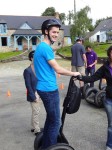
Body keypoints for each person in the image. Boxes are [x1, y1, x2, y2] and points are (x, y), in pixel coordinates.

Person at [77, 45, 112, 150]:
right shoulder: (105, 67)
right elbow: (92, 78)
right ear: (109, 55)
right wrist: (80, 76)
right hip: (110, 101)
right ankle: (110, 146)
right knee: (111, 126)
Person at [33, 19, 80, 149]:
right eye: (53, 32)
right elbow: (58, 69)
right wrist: (74, 73)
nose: (56, 34)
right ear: (46, 31)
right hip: (48, 89)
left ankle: (46, 144)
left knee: (51, 119)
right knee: (55, 122)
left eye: (57, 32)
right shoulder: (45, 48)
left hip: (44, 87)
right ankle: (49, 147)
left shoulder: (40, 47)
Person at [23, 50, 41, 136]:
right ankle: (37, 130)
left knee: (35, 111)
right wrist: (34, 96)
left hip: (40, 92)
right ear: (31, 58)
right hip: (33, 94)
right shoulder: (27, 71)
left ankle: (33, 127)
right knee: (36, 111)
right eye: (35, 57)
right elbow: (28, 85)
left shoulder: (39, 69)